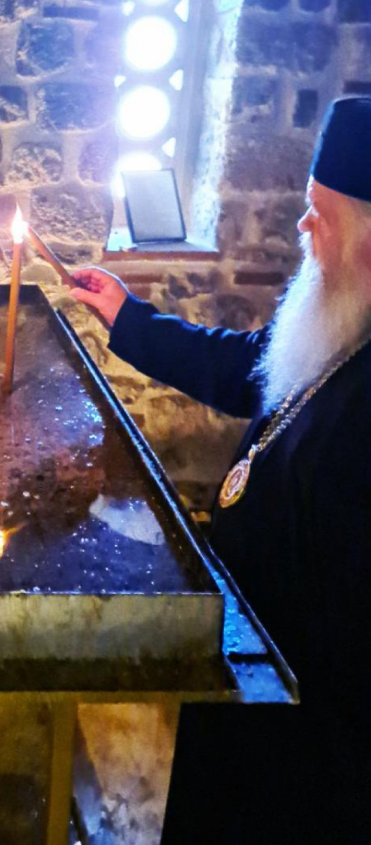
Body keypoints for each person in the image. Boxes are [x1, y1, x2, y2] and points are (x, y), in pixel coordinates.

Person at [68, 96, 371, 844]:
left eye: (320, 215)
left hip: (308, 735)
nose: (302, 228)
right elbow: (248, 367)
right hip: (243, 673)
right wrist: (129, 318)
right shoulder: (343, 316)